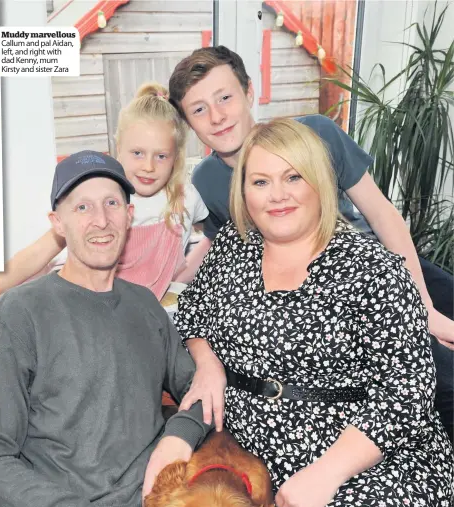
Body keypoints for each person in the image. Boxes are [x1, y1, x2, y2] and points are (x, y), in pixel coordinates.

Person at [0, 150, 312, 507]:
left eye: (111, 204)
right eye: (81, 207)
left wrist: (177, 437)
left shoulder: (146, 308)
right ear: (57, 222)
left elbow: (201, 395)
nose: (99, 220)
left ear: (129, 215)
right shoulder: (20, 314)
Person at [173, 118, 454, 507]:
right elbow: (192, 314)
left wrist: (324, 474)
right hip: (254, 460)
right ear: (244, 192)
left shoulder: (373, 269)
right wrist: (208, 361)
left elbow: (407, 394)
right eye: (261, 182)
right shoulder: (232, 254)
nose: (277, 195)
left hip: (363, 457)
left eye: (293, 177)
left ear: (320, 182)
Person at [168, 45, 454, 438]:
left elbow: (382, 214)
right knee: (442, 381)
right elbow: (226, 247)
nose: (216, 116)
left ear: (250, 92)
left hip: (390, 265)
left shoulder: (316, 132)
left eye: (225, 97)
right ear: (188, 123)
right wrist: (163, 274)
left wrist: (422, 306)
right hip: (333, 300)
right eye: (198, 109)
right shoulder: (206, 182)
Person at [0, 82, 208, 300]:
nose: (149, 166)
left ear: (176, 157)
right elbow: (41, 251)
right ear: (119, 148)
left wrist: (184, 277)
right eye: (137, 153)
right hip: (83, 297)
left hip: (142, 308)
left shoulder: (187, 198)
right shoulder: (105, 197)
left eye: (161, 156)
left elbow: (212, 234)